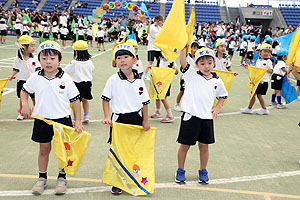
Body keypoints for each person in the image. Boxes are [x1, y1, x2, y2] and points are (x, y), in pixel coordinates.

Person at [20, 41, 84, 195]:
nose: (48, 62)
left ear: (59, 60)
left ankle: (62, 178)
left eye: (52, 58)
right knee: (44, 149)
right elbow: (24, 90)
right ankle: (42, 178)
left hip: (62, 121)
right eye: (44, 58)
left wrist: (78, 120)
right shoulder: (35, 77)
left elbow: (76, 100)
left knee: (62, 151)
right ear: (39, 60)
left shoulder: (66, 78)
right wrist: (24, 103)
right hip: (42, 120)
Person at [101, 44, 150, 195]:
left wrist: (145, 120)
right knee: (118, 150)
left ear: (134, 60)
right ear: (115, 62)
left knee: (134, 148)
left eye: (126, 57)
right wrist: (108, 116)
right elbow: (105, 99)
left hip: (136, 118)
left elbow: (145, 102)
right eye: (119, 58)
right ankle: (118, 181)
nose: (122, 61)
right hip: (119, 119)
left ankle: (132, 176)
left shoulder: (139, 80)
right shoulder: (112, 80)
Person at [175, 47, 228, 184]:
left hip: (206, 119)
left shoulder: (217, 80)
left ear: (214, 63)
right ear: (196, 64)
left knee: (204, 147)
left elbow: (222, 95)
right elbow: (182, 62)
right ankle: (180, 171)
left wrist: (217, 107)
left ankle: (203, 171)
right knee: (184, 146)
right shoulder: (191, 75)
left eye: (209, 62)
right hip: (190, 117)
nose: (206, 66)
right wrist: (183, 50)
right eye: (202, 63)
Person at [8, 35, 41, 120]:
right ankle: (22, 113)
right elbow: (16, 69)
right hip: (22, 81)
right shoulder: (18, 59)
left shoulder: (35, 58)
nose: (33, 48)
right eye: (31, 46)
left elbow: (38, 68)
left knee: (34, 98)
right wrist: (12, 75)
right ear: (24, 47)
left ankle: (37, 112)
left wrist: (37, 74)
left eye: (34, 46)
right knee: (23, 98)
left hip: (33, 81)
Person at [64, 40, 95, 123]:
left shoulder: (74, 63)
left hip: (77, 84)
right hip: (88, 84)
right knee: (85, 99)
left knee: (76, 101)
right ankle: (86, 115)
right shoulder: (90, 62)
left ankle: (76, 117)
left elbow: (65, 71)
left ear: (76, 52)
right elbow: (93, 70)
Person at [240, 44, 273, 115]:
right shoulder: (258, 60)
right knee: (255, 95)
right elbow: (256, 69)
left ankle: (253, 108)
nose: (267, 53)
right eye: (265, 51)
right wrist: (249, 67)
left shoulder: (268, 61)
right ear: (260, 52)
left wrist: (268, 70)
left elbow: (271, 71)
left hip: (263, 82)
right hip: (257, 81)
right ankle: (257, 108)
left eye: (268, 52)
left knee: (256, 95)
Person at [150, 56, 178, 123]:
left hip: (166, 82)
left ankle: (170, 115)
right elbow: (157, 67)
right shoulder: (160, 59)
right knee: (157, 96)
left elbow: (177, 72)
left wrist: (175, 69)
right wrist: (153, 68)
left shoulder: (171, 60)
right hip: (159, 81)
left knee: (163, 98)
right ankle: (158, 111)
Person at [174, 42, 199, 112]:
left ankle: (189, 105)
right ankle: (177, 104)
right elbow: (185, 49)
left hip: (194, 78)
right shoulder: (188, 56)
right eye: (194, 48)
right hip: (185, 78)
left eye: (197, 48)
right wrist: (186, 41)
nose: (195, 50)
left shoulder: (198, 58)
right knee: (182, 91)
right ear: (191, 49)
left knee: (192, 92)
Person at [144, 15, 163, 80]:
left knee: (160, 62)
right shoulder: (151, 26)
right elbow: (148, 31)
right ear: (157, 20)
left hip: (158, 48)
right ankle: (144, 75)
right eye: (160, 20)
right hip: (152, 47)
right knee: (150, 62)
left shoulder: (160, 28)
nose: (161, 22)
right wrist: (149, 23)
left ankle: (157, 75)